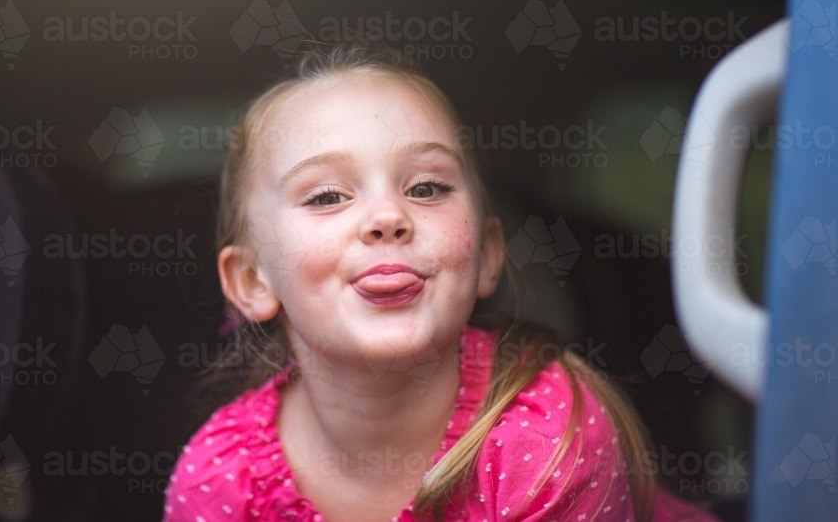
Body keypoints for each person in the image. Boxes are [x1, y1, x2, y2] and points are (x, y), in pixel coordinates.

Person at [164, 42, 719, 522]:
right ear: (252, 280)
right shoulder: (221, 475)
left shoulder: (548, 437)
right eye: (327, 196)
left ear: (486, 255)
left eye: (427, 188)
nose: (386, 215)